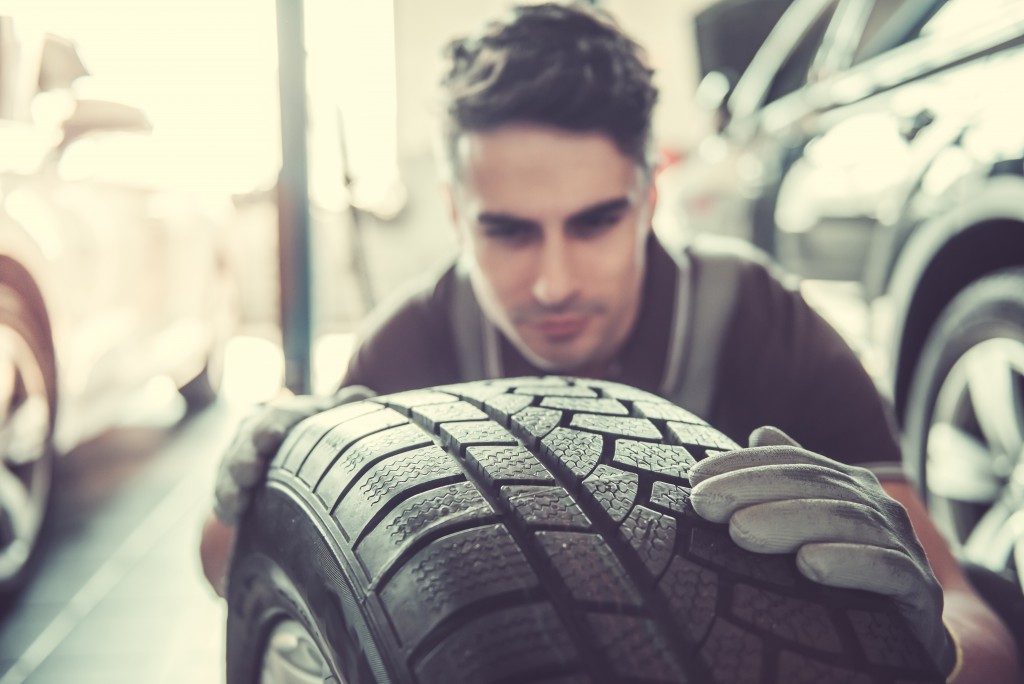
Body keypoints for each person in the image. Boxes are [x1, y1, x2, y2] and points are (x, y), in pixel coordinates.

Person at [200, 3, 1018, 681]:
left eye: (594, 223)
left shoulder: (756, 318)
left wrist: (930, 648)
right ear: (455, 214)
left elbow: (970, 609)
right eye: (509, 232)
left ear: (648, 192)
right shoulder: (412, 343)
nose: (553, 281)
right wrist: (247, 500)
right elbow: (240, 574)